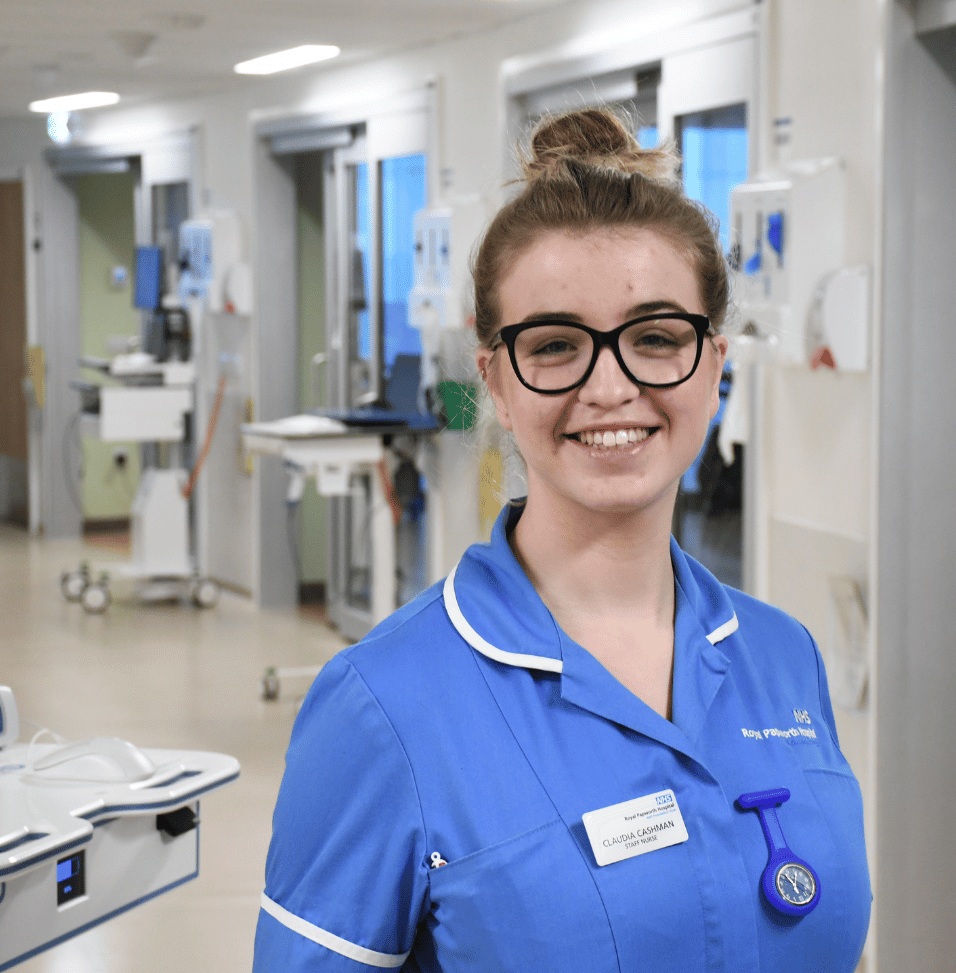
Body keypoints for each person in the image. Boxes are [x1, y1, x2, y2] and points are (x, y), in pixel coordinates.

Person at [254, 107, 870, 972]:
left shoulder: (783, 658)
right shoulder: (383, 707)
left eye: (657, 338)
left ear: (716, 364)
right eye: (555, 346)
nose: (610, 385)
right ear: (496, 382)